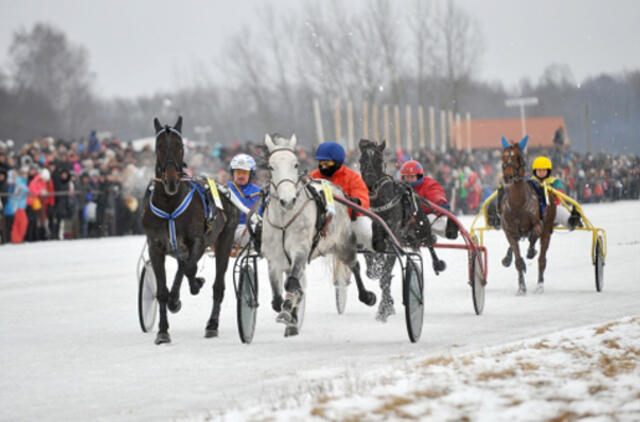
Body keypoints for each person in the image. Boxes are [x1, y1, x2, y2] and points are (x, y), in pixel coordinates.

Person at [309, 141, 372, 248]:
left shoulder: (352, 177)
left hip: (349, 219)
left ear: (337, 163)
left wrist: (357, 202)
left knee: (366, 231)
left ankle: (374, 253)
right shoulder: (313, 177)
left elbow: (364, 199)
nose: (323, 167)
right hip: (321, 221)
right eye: (321, 163)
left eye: (327, 164)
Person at [399, 160, 458, 240]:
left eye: (412, 177)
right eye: (407, 177)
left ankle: (448, 231)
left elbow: (435, 193)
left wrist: (440, 203)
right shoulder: (399, 187)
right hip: (404, 220)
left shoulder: (427, 184)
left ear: (419, 176)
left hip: (423, 219)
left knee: (430, 219)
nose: (409, 180)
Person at [529, 156, 582, 230]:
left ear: (548, 171)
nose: (541, 173)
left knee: (558, 210)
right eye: (539, 171)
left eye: (543, 171)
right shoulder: (531, 182)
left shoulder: (554, 181)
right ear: (535, 171)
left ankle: (571, 221)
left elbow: (561, 192)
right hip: (536, 210)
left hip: (552, 208)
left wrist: (554, 193)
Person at [226, 153, 262, 248]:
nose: (241, 175)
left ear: (251, 174)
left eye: (245, 173)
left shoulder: (259, 192)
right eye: (238, 172)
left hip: (251, 230)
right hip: (228, 230)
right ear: (232, 173)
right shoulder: (224, 189)